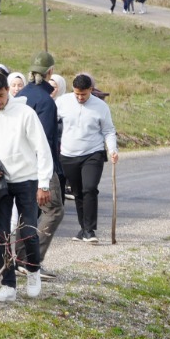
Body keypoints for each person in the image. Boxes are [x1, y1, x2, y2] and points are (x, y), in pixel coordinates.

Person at [0, 72, 53, 302]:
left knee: (27, 231)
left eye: (1, 95)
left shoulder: (25, 113)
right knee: (1, 234)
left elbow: (43, 148)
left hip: (27, 179)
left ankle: (33, 271)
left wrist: (43, 183)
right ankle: (8, 284)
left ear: (8, 90)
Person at [57, 74, 119, 244]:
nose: (79, 97)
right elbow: (52, 122)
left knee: (90, 189)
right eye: (77, 94)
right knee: (78, 193)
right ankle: (83, 228)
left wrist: (112, 149)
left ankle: (90, 230)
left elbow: (108, 130)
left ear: (91, 90)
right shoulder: (62, 102)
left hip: (93, 153)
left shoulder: (100, 107)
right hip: (69, 155)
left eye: (83, 94)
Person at [20, 53, 66, 255]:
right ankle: (32, 258)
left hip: (20, 163)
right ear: (50, 72)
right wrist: (46, 177)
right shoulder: (46, 101)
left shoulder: (20, 95)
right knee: (54, 210)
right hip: (41, 165)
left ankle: (19, 258)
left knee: (28, 212)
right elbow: (45, 140)